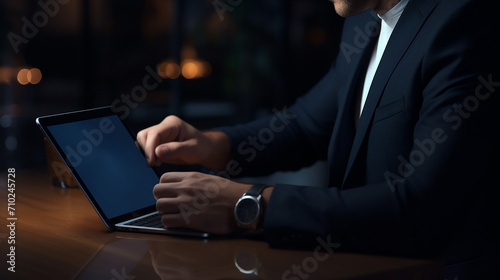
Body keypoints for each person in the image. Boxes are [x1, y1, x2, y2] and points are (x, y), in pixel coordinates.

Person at [137, 0, 500, 277]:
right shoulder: (362, 19)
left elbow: (422, 209)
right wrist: (213, 144)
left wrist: (251, 205)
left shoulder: (464, 21)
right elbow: (306, 124)